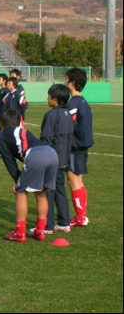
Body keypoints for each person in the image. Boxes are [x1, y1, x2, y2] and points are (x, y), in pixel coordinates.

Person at [0, 109, 58, 243]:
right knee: (41, 193)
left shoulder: (0, 135)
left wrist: (17, 179)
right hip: (51, 153)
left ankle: (19, 234)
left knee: (20, 193)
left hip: (36, 156)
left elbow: (8, 160)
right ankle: (40, 231)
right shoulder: (24, 131)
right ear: (20, 121)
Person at [30, 84, 73, 235]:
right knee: (60, 189)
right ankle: (64, 222)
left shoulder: (51, 115)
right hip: (63, 158)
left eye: (48, 97)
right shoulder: (67, 113)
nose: (47, 99)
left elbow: (47, 138)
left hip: (52, 158)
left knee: (48, 191)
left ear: (54, 99)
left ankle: (47, 225)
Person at [65, 67, 94, 227]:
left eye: (66, 78)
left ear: (72, 82)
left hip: (75, 147)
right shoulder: (82, 102)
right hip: (81, 146)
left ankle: (81, 216)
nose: (65, 80)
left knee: (73, 181)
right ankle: (82, 215)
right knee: (79, 181)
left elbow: (70, 126)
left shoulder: (74, 103)